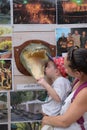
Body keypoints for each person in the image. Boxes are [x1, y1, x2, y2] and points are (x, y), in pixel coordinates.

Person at [41, 47, 87, 130]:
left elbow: (65, 121)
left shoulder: (85, 92)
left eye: (66, 68)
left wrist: (47, 119)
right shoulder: (78, 80)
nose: (64, 71)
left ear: (77, 73)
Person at [37, 56, 71, 130]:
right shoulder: (59, 82)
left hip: (52, 116)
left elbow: (58, 98)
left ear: (57, 71)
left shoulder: (61, 81)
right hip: (49, 116)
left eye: (48, 67)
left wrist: (45, 84)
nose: (45, 68)